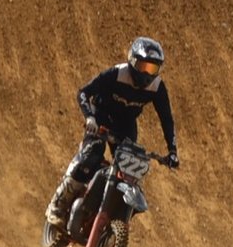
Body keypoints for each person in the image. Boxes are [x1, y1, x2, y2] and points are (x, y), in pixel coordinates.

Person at [45, 36, 180, 233]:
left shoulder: (157, 87)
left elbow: (167, 119)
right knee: (92, 152)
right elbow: (83, 93)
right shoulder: (117, 74)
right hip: (101, 115)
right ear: (132, 61)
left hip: (125, 124)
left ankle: (109, 219)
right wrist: (90, 117)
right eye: (143, 66)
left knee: (130, 169)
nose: (146, 74)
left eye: (152, 69)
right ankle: (57, 204)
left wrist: (172, 151)